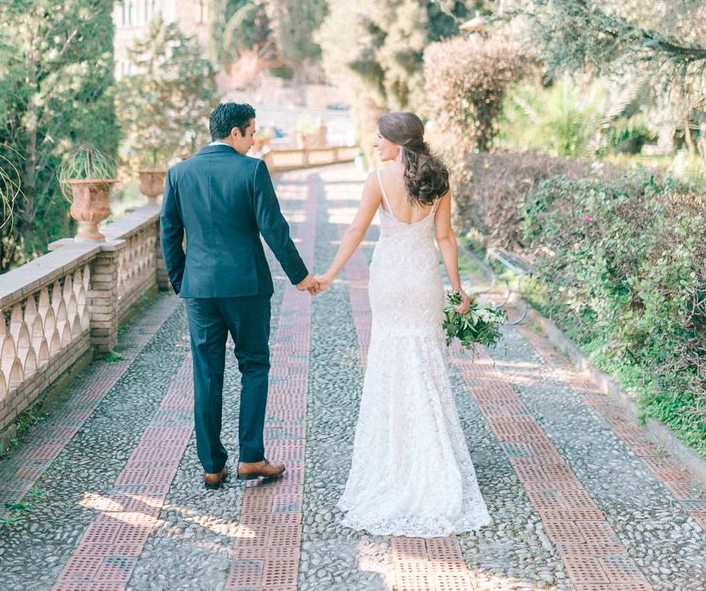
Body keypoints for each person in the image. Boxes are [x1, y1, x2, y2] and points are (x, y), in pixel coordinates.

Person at [316, 111, 491, 537]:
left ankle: (398, 458)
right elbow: (446, 238)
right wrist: (458, 289)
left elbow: (357, 230)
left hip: (391, 277)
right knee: (426, 359)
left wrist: (329, 275)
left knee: (392, 358)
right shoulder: (439, 178)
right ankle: (431, 457)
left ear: (397, 141)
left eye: (380, 138)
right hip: (423, 276)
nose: (375, 143)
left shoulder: (378, 179)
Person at [160, 103, 320, 491]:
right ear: (234, 133)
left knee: (207, 374)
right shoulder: (252, 170)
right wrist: (299, 276)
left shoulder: (178, 173)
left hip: (200, 291)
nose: (253, 141)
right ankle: (251, 457)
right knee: (254, 366)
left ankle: (212, 466)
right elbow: (273, 228)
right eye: (250, 133)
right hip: (247, 287)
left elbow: (168, 233)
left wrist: (183, 283)